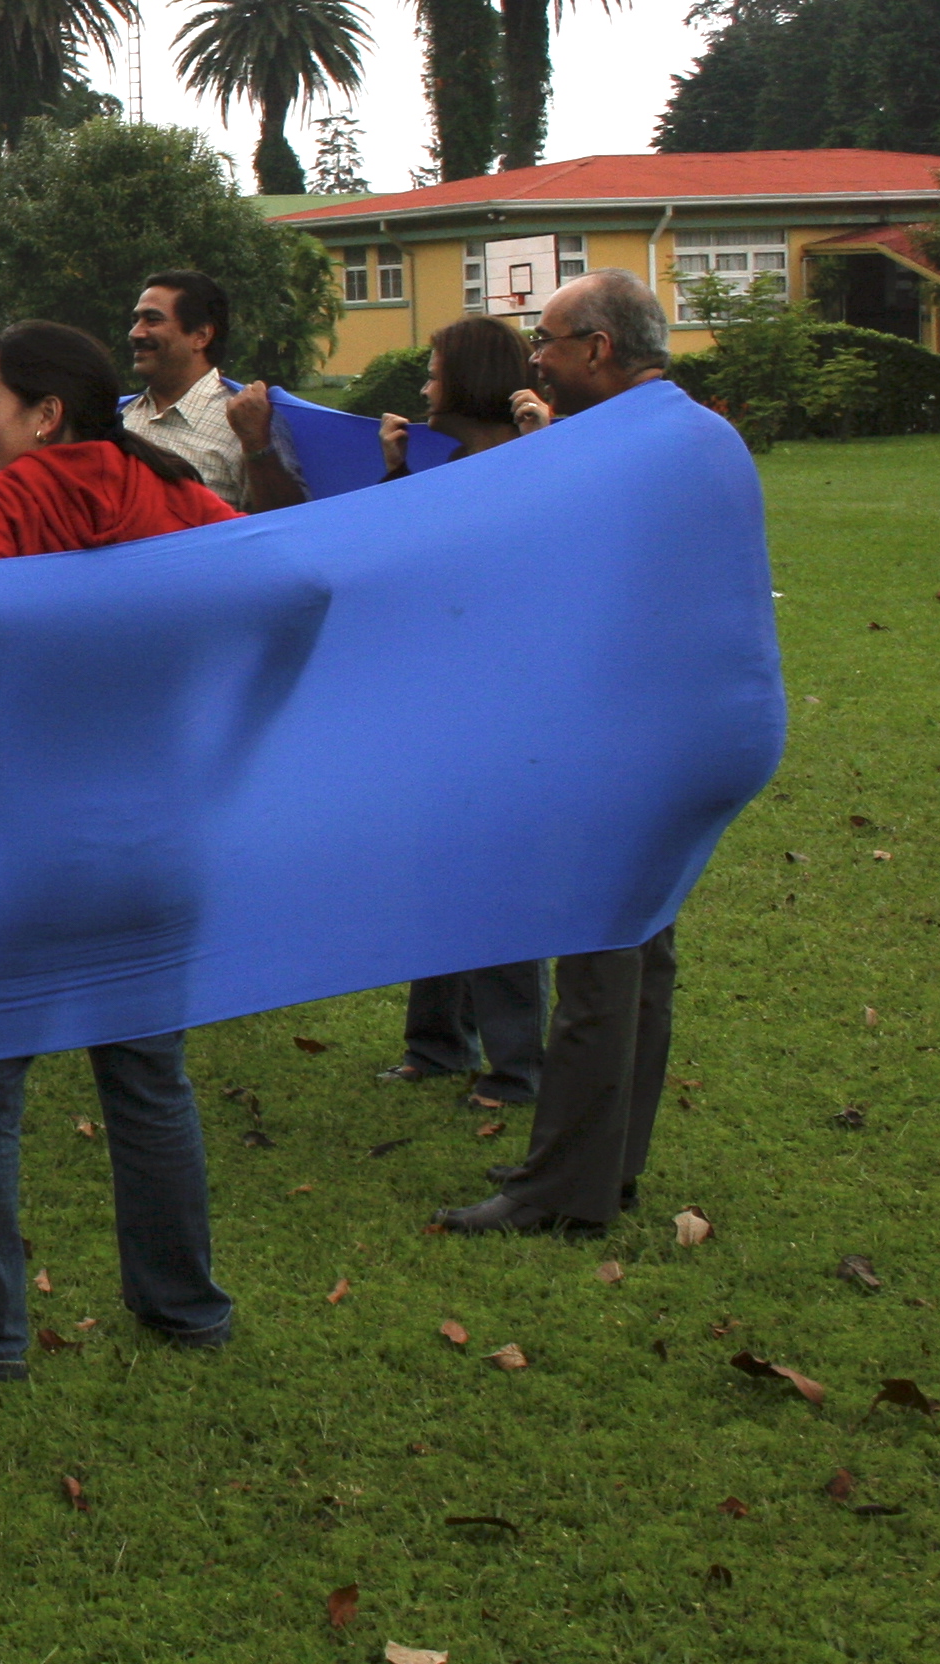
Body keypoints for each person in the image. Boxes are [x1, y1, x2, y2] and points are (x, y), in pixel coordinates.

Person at [0, 321, 242, 1378]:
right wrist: (228, 734)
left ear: (45, 414)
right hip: (160, 828)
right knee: (149, 1077)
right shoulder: (177, 495)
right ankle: (185, 1309)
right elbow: (292, 585)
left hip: (26, 836)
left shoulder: (4, 502)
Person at [438, 272, 687, 1238]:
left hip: (622, 738)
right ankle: (601, 1167)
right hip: (648, 730)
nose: (534, 357)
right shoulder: (667, 432)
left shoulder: (636, 444)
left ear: (599, 348)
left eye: (546, 339)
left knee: (600, 967)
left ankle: (562, 1193)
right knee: (634, 963)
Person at [372, 314, 547, 1105]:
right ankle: (437, 1044)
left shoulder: (536, 465)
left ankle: (516, 1068)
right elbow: (404, 565)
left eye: (436, 371)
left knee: (496, 888)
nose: (425, 385)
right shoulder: (449, 465)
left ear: (470, 378)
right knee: (437, 875)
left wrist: (541, 451)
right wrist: (396, 474)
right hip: (439, 706)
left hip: (507, 712)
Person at [123, 271, 306, 513]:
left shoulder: (250, 419)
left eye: (152, 320)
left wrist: (256, 445)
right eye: (135, 320)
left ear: (201, 336)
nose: (135, 333)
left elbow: (287, 519)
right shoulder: (121, 415)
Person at [378, 313, 536, 481]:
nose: (424, 391)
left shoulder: (529, 468)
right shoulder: (463, 464)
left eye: (432, 377)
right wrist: (396, 468)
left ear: (467, 381)